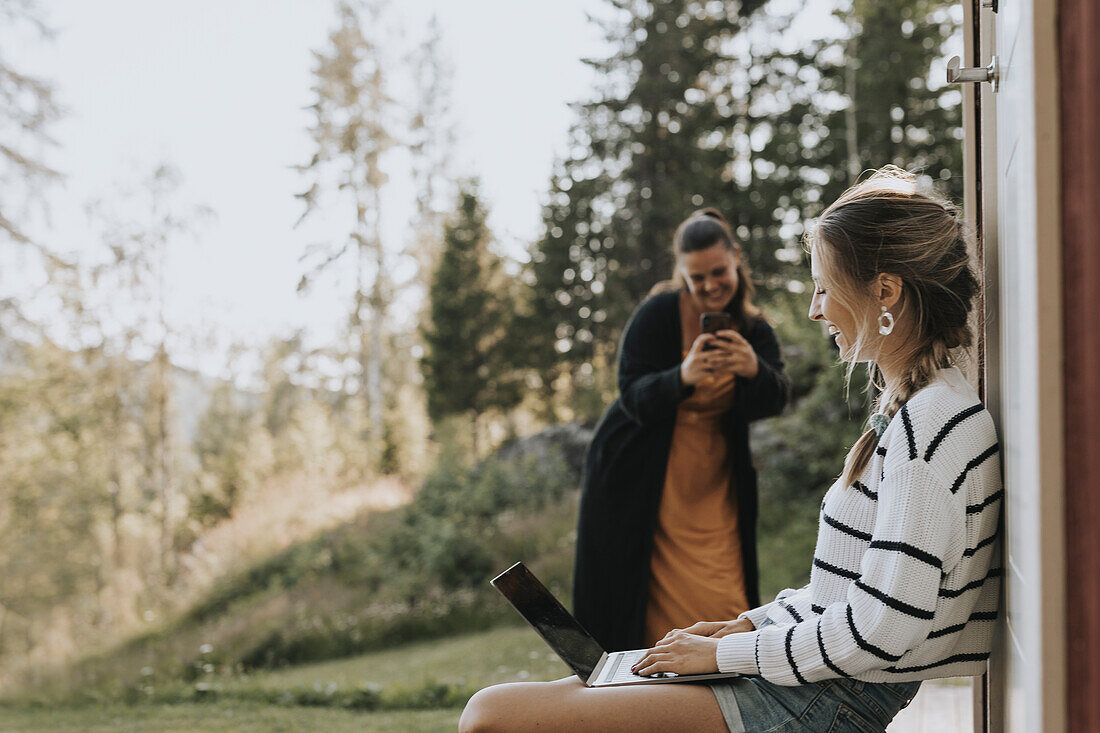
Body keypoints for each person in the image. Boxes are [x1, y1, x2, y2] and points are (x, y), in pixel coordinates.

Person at [460, 167, 1002, 733]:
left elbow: (880, 629)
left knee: (492, 718)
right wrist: (744, 628)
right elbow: (836, 597)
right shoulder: (911, 414)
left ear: (885, 291)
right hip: (815, 680)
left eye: (823, 287)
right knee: (544, 695)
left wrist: (724, 657)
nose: (815, 310)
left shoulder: (929, 424)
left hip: (827, 698)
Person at [572, 207, 791, 653]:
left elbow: (777, 396)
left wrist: (753, 368)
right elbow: (630, 394)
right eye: (697, 277)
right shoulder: (656, 315)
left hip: (714, 483)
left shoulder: (754, 328)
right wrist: (682, 375)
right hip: (639, 477)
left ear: (735, 259)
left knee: (724, 595)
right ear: (682, 274)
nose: (710, 285)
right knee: (638, 600)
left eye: (718, 272)